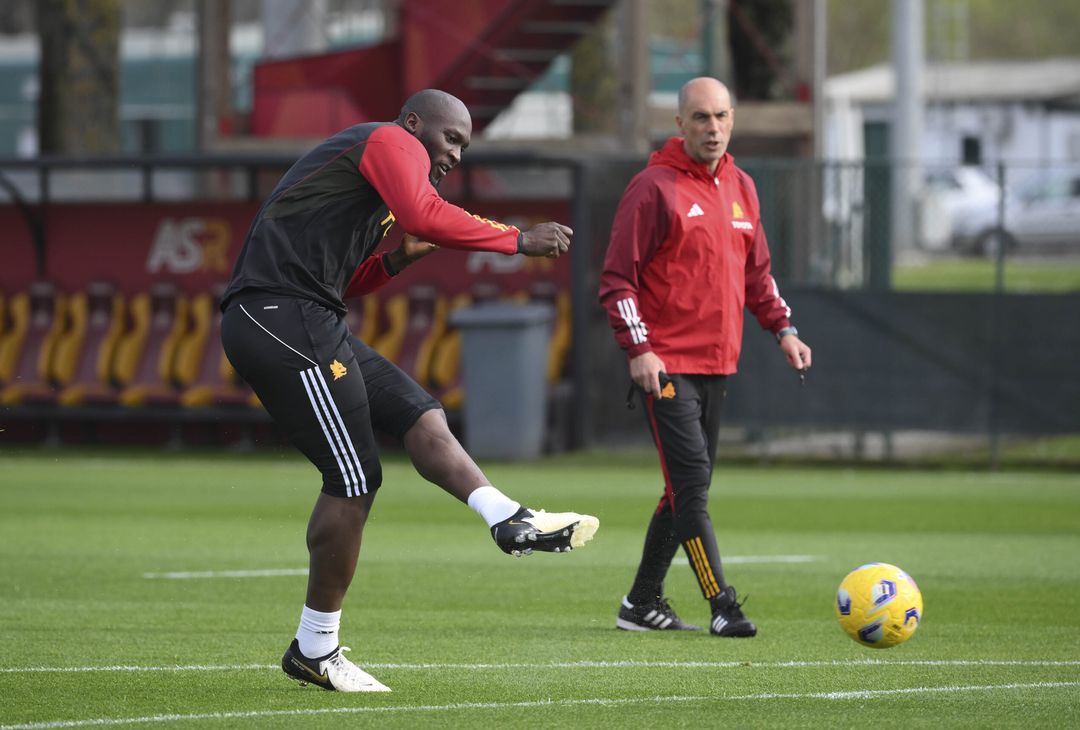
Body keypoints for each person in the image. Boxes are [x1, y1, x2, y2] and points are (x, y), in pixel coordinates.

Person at [220, 89, 599, 692]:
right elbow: (427, 212)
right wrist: (519, 239)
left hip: (309, 315)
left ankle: (506, 516)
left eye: (465, 148)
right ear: (415, 123)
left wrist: (395, 261)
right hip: (278, 314)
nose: (455, 156)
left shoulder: (382, 186)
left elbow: (348, 279)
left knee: (421, 414)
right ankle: (316, 647)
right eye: (452, 139)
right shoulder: (388, 140)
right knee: (353, 479)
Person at [598, 77, 811, 638]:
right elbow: (617, 281)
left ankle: (640, 604)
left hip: (720, 363)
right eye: (700, 118)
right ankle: (723, 605)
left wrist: (783, 329)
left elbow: (757, 276)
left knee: (685, 490)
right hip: (666, 365)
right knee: (691, 485)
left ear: (733, 120)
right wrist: (639, 349)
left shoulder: (742, 185)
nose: (711, 128)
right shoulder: (653, 188)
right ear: (680, 125)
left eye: (720, 117)